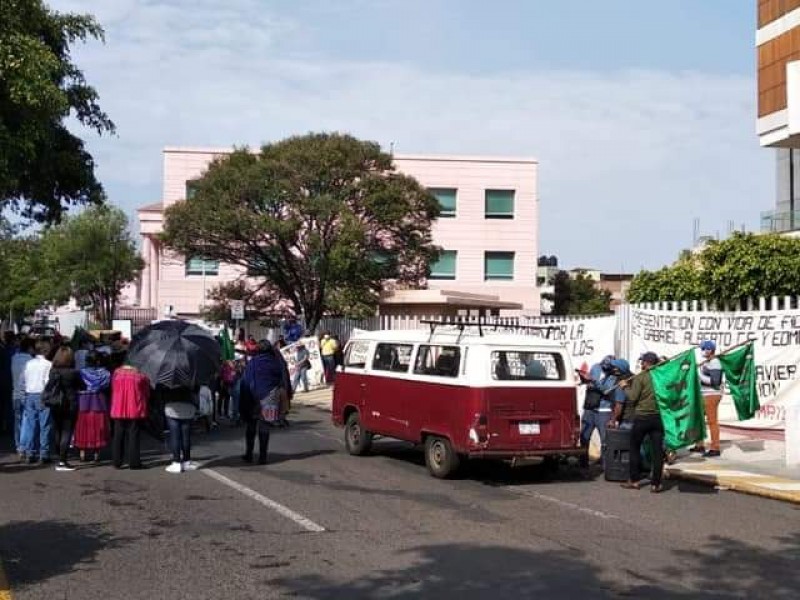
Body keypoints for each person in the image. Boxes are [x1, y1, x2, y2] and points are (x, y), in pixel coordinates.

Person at [620, 351, 666, 493]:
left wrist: (624, 387)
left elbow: (633, 398)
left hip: (642, 417)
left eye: (642, 362)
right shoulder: (662, 376)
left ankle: (634, 480)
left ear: (646, 363)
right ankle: (656, 484)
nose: (641, 364)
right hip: (658, 418)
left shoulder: (641, 377)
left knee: (634, 448)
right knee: (657, 451)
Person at [240, 340, 289, 465]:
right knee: (264, 427)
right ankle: (263, 457)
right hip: (270, 397)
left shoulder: (253, 363)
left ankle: (249, 454)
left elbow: (245, 381)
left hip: (253, 398)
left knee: (251, 426)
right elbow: (281, 379)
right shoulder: (276, 363)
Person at [580, 356, 628, 468]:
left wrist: (594, 381)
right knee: (584, 437)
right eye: (603, 367)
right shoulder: (595, 367)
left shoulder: (614, 376)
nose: (605, 369)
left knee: (605, 440)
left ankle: (606, 465)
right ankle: (583, 463)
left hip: (604, 410)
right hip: (590, 408)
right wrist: (585, 380)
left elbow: (607, 390)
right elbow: (590, 384)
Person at [47, 346, 84, 471]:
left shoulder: (53, 371)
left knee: (58, 430)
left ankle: (59, 456)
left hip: (55, 403)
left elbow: (49, 386)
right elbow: (82, 386)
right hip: (70, 404)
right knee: (67, 431)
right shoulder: (73, 372)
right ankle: (62, 461)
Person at [19, 340, 53, 464]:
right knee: (45, 426)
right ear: (47, 351)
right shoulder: (49, 364)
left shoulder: (28, 363)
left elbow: (22, 381)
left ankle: (30, 452)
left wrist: (24, 396)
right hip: (42, 395)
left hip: (30, 395)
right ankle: (44, 453)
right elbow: (49, 383)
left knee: (31, 425)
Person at [110, 365, 150, 469]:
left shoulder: (116, 374)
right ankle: (134, 462)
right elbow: (146, 392)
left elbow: (113, 388)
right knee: (134, 435)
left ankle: (117, 462)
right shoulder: (140, 376)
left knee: (118, 435)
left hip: (118, 407)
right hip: (134, 407)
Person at [75, 352, 112, 463]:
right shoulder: (106, 374)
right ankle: (96, 455)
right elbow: (107, 388)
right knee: (98, 428)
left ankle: (82, 454)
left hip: (83, 402)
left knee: (82, 427)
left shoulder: (81, 373)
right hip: (99, 402)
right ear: (99, 361)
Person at [691, 340, 723, 458]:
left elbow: (715, 382)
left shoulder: (715, 362)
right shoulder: (708, 362)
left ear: (709, 350)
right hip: (704, 394)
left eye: (703, 349)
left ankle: (715, 447)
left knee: (712, 421)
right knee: (699, 419)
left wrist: (698, 374)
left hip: (712, 394)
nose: (702, 351)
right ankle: (699, 444)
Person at [163, 386, 198, 473]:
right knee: (186, 437)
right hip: (188, 407)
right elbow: (196, 390)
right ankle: (187, 462)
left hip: (172, 406)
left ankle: (176, 463)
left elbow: (161, 392)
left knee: (175, 436)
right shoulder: (192, 376)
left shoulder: (168, 378)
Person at [10, 338, 34, 459]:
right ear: (29, 348)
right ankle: (24, 447)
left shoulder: (13, 358)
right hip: (26, 394)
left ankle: (18, 445)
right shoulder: (30, 360)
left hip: (15, 394)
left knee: (17, 422)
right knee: (27, 422)